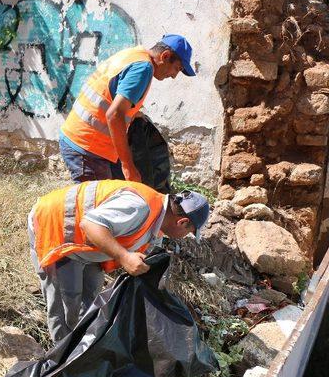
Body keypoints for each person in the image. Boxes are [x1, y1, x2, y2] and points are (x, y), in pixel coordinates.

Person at [28, 179, 209, 343]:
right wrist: (124, 256)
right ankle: (61, 363)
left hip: (86, 245)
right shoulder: (139, 207)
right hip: (57, 229)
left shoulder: (158, 222)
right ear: (182, 222)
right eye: (189, 232)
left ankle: (81, 354)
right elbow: (90, 225)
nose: (184, 237)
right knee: (68, 305)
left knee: (91, 302)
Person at [59, 34, 196, 183]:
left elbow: (111, 96)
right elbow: (114, 114)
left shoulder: (134, 54)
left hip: (80, 139)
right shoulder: (143, 69)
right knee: (98, 204)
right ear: (165, 55)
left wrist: (132, 113)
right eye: (177, 68)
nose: (174, 76)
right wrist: (128, 166)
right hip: (87, 147)